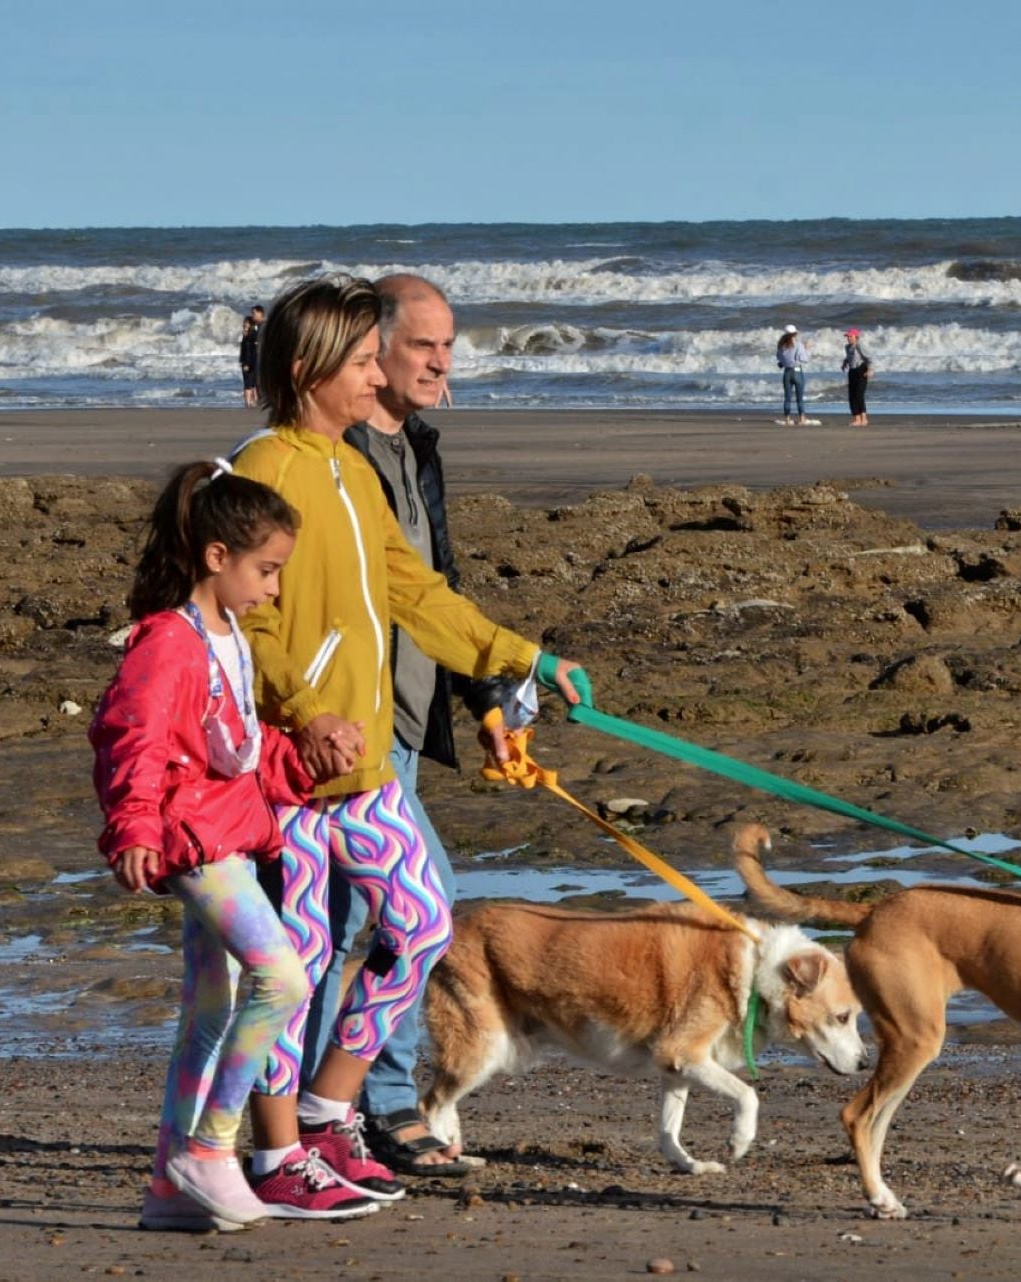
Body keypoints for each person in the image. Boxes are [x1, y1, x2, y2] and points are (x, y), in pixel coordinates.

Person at [230, 274, 592, 1214]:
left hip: (368, 761)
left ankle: (328, 1111)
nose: (375, 376)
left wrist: (523, 658)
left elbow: (415, 593)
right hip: (295, 770)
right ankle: (277, 1158)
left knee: (422, 920)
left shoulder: (353, 469)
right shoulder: (265, 469)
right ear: (312, 369)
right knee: (295, 963)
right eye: (361, 362)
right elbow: (247, 620)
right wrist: (302, 711)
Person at [90, 460, 317, 1231]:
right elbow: (135, 735)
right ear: (216, 557)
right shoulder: (169, 643)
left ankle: (167, 1191)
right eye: (267, 570)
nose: (274, 589)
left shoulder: (228, 636)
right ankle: (213, 1149)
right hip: (194, 843)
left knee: (210, 1012)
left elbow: (239, 746)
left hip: (229, 831)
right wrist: (134, 826)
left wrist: (300, 763)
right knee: (282, 978)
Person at [323, 273, 490, 1176]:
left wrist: (489, 698)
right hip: (354, 727)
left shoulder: (417, 445)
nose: (440, 360)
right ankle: (358, 1108)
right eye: (423, 343)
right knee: (405, 908)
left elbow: (438, 587)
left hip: (410, 720)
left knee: (371, 920)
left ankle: (339, 1110)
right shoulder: (334, 453)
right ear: (371, 348)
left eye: (449, 344)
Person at [776, 324, 809, 426]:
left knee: (787, 398)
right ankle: (802, 419)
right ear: (795, 333)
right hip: (797, 371)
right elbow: (804, 359)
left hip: (787, 372)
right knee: (800, 398)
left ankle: (787, 419)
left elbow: (780, 359)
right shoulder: (798, 344)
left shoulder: (781, 345)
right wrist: (806, 348)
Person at [841, 326, 871, 427]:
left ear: (856, 337)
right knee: (852, 396)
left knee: (859, 394)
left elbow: (869, 358)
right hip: (852, 371)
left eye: (850, 336)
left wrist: (870, 370)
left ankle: (864, 418)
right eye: (847, 336)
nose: (848, 338)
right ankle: (856, 419)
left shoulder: (859, 345)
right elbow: (849, 357)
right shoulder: (847, 347)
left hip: (861, 370)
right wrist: (844, 363)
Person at [239, 306, 265, 408]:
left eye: (254, 313)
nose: (253, 315)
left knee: (257, 382)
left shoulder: (264, 326)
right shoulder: (255, 329)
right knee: (254, 382)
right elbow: (245, 349)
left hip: (261, 358)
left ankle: (259, 402)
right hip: (254, 359)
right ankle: (257, 402)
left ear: (260, 313)